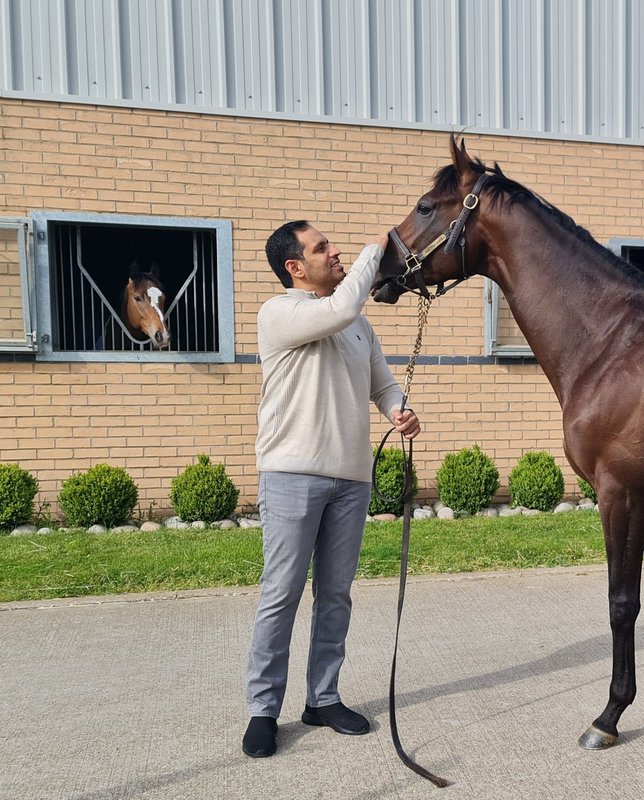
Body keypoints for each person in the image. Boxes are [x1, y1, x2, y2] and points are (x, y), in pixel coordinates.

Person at [242, 221, 420, 759]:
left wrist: (397, 408)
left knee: (335, 594)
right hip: (292, 474)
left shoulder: (359, 325)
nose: (335, 250)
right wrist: (376, 250)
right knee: (282, 594)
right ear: (295, 268)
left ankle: (322, 698)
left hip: (351, 479)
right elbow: (338, 309)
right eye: (322, 248)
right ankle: (263, 709)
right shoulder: (281, 313)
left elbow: (381, 382)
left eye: (334, 244)